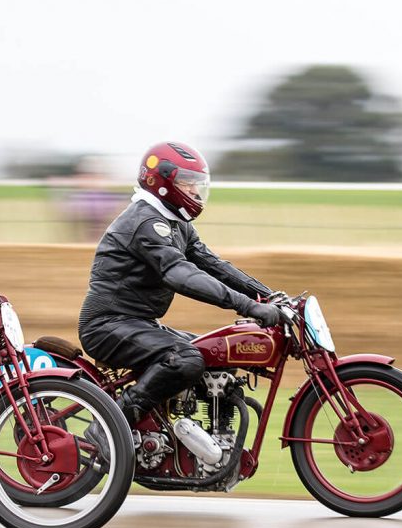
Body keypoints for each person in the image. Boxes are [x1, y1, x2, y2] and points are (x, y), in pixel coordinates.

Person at [78, 141, 281, 438]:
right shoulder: (146, 221)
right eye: (188, 184)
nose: (196, 192)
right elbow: (180, 273)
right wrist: (246, 306)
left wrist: (268, 295)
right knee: (186, 359)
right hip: (107, 325)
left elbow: (215, 265)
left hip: (137, 323)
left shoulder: (174, 222)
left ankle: (209, 440)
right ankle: (108, 428)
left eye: (198, 185)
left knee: (218, 353)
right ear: (162, 182)